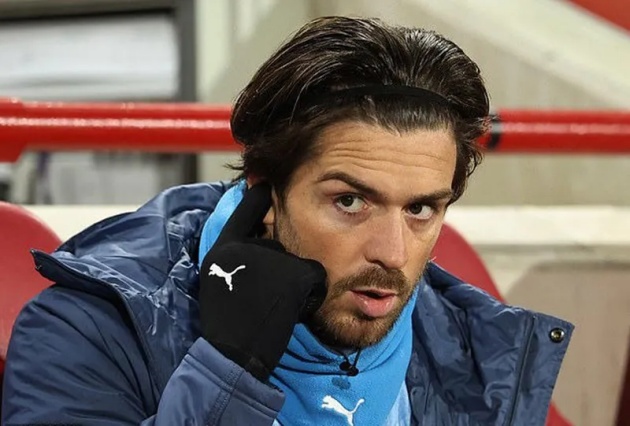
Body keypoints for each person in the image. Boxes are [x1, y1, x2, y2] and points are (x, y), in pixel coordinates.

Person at [1, 16, 573, 426]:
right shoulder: (89, 330)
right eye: (350, 202)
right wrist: (228, 371)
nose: (393, 253)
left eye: (420, 209)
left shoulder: (474, 349)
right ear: (264, 194)